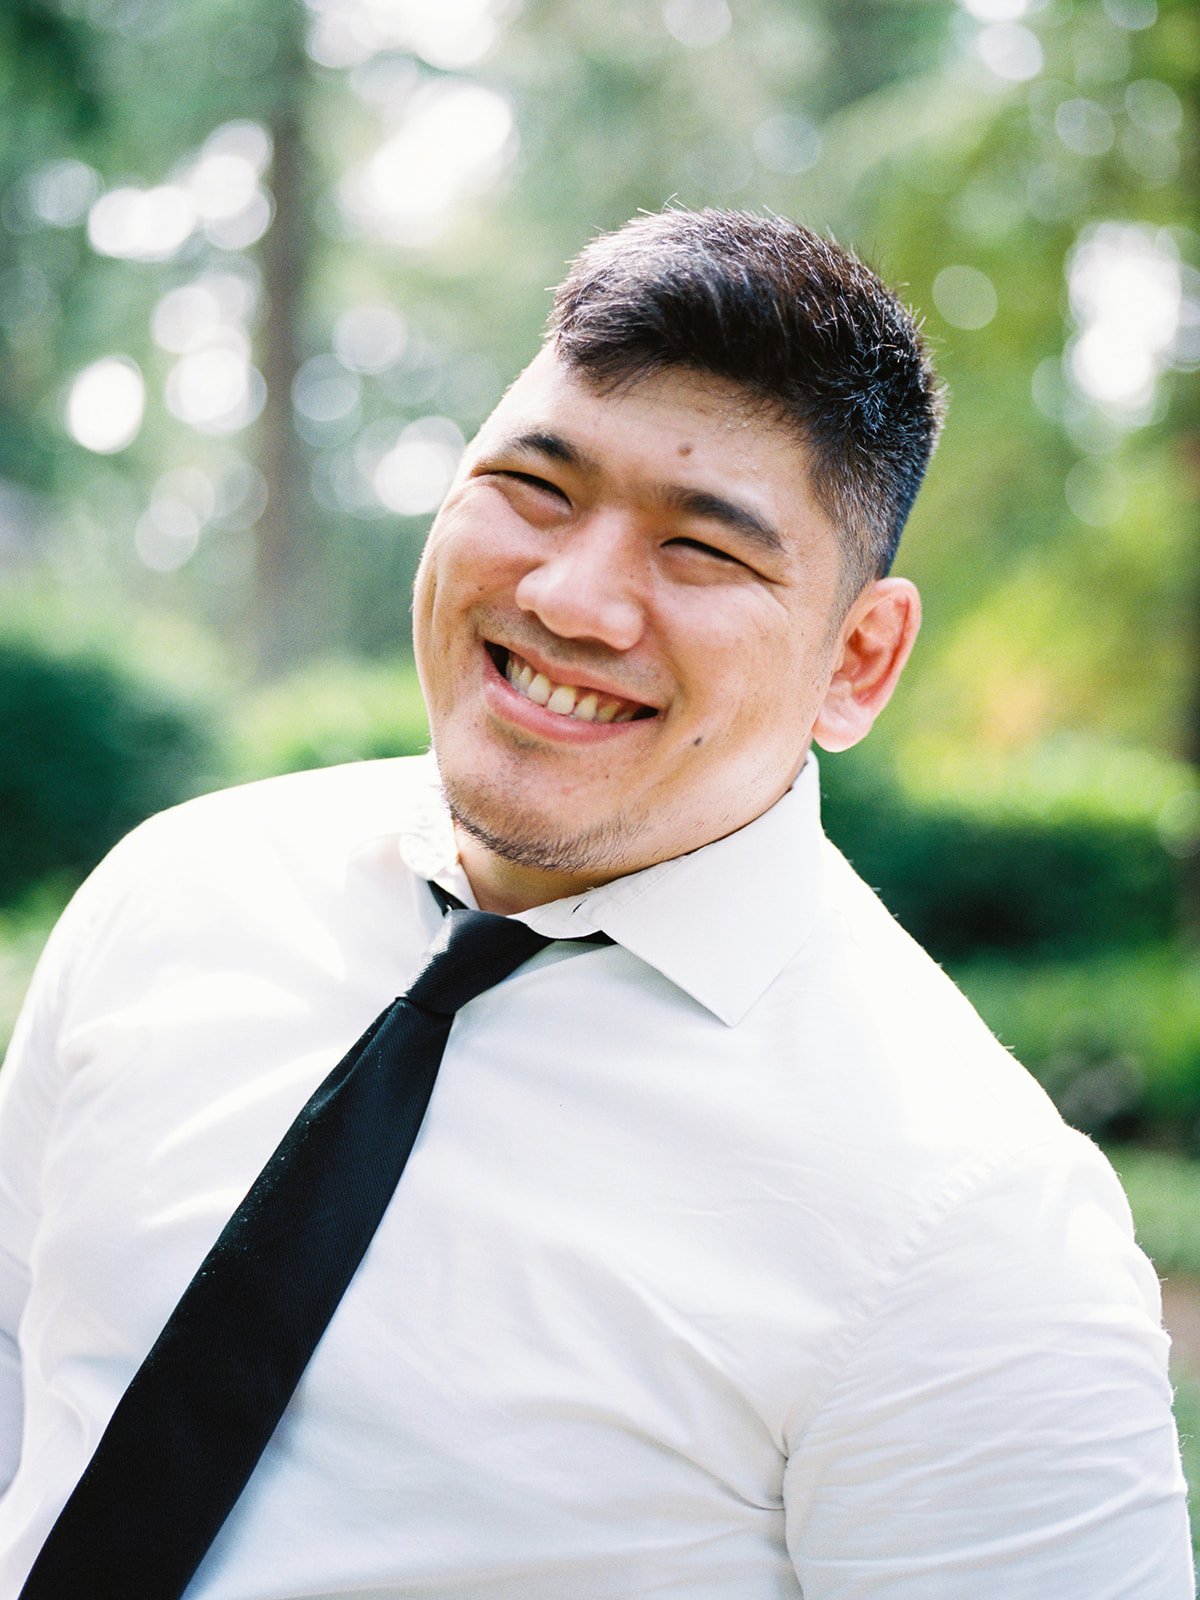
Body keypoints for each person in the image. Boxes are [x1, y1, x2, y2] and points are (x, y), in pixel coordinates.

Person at [0, 208, 1192, 1598]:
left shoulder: (970, 1226)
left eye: (704, 550)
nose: (572, 599)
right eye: (534, 486)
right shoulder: (178, 889)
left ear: (859, 661)